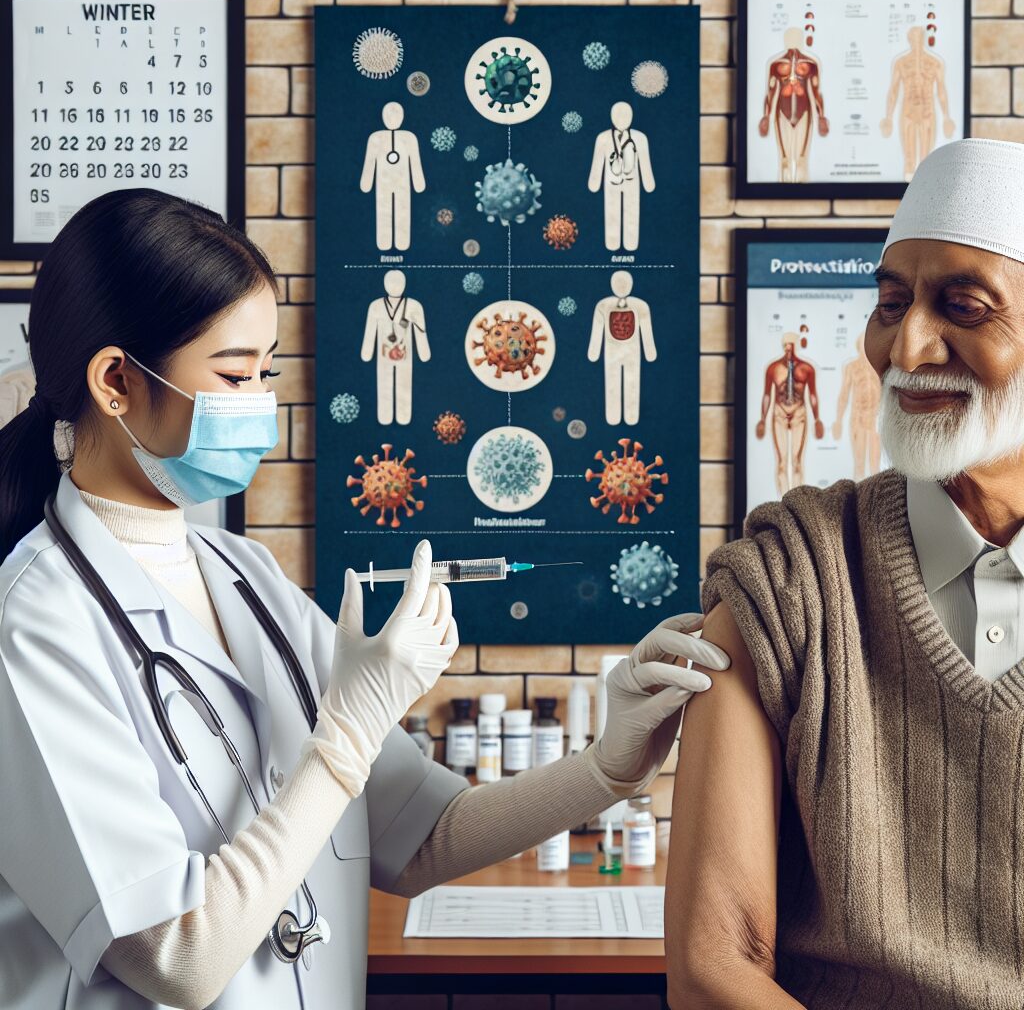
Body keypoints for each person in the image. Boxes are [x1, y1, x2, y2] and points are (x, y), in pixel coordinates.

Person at [0, 188, 730, 1010]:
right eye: (236, 374)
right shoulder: (31, 629)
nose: (261, 405)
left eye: (267, 372)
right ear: (116, 382)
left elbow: (422, 837)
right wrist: (344, 738)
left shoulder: (247, 578)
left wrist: (606, 766)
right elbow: (180, 958)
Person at [666, 137, 1024, 1008]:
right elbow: (714, 966)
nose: (909, 345)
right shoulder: (789, 579)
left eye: (964, 307)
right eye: (891, 302)